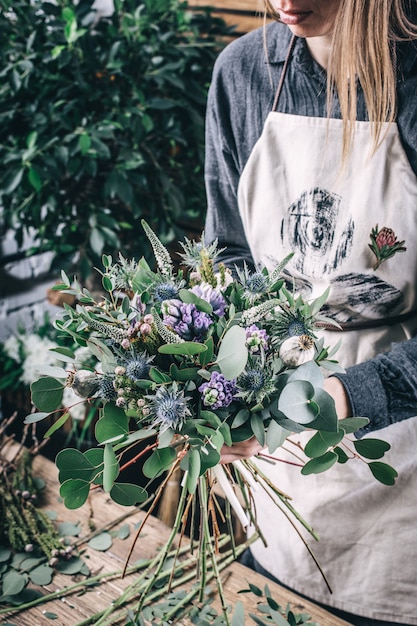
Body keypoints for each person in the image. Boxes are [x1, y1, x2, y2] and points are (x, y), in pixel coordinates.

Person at [203, 1, 417, 625]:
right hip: (279, 461)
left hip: (403, 466)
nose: (286, 1)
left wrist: (336, 398)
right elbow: (231, 259)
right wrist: (226, 386)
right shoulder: (244, 74)